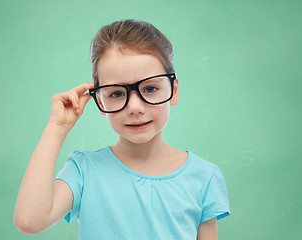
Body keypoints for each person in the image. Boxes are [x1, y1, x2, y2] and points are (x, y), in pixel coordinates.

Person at [13, 19, 230, 239]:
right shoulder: (83, 170)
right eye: (116, 93)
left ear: (173, 90)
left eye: (150, 88)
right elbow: (29, 220)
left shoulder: (204, 176)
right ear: (99, 99)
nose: (135, 108)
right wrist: (56, 128)